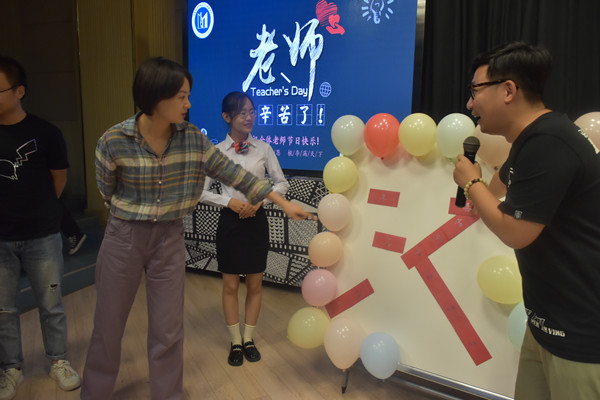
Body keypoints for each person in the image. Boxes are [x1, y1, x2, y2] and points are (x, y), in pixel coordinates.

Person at [80, 57, 312, 400]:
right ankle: (95, 392)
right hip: (124, 235)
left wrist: (283, 203)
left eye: (188, 96)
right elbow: (107, 190)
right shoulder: (114, 140)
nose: (188, 104)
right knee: (108, 325)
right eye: (181, 97)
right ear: (154, 96)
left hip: (169, 238)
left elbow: (239, 177)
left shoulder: (193, 140)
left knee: (168, 328)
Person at [453, 41, 600, 399]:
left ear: (508, 90)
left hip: (578, 332)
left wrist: (470, 183)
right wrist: (478, 186)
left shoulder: (549, 142)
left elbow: (515, 232)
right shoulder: (531, 139)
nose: (470, 104)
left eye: (475, 91)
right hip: (544, 323)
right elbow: (498, 187)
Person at [0, 56, 81, 400]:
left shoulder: (46, 133)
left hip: (42, 236)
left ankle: (58, 361)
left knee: (51, 304)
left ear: (19, 91)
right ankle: (11, 368)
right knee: (3, 309)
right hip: (1, 238)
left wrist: (39, 212)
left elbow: (58, 181)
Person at [200, 91, 289, 367]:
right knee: (230, 285)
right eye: (242, 113)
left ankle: (248, 339)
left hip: (257, 221)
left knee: (254, 284)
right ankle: (235, 341)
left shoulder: (264, 148)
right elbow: (200, 192)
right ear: (227, 117)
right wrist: (229, 202)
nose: (249, 117)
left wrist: (260, 200)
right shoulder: (215, 153)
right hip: (230, 222)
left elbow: (282, 183)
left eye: (252, 111)